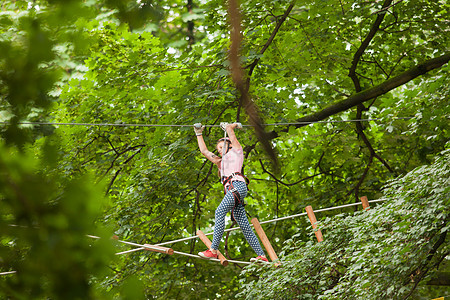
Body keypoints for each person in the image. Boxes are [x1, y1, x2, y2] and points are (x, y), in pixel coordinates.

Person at [193, 122, 268, 263]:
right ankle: (261, 256)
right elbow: (204, 151)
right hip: (233, 191)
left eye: (221, 147)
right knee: (244, 225)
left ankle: (213, 250)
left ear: (230, 145)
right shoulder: (220, 162)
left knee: (219, 212)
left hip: (237, 187)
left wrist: (229, 127)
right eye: (218, 149)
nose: (219, 150)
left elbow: (232, 137)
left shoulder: (236, 152)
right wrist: (198, 133)